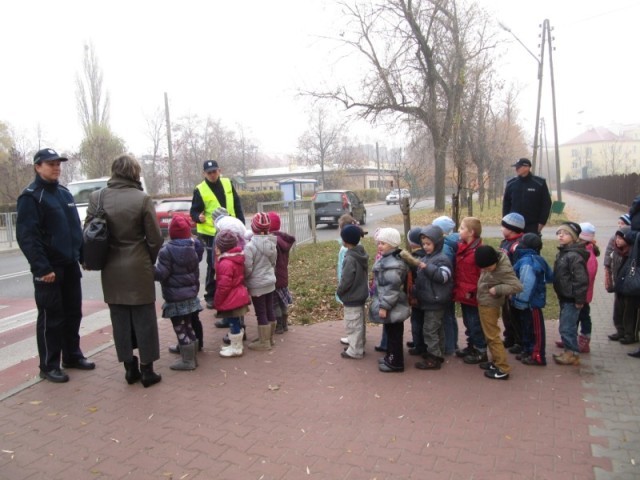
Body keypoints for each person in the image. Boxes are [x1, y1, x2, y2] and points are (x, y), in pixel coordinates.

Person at [16, 148, 95, 383]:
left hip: (69, 265)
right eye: (50, 164)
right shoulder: (31, 197)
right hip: (49, 269)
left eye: (58, 163)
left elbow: (74, 229)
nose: (56, 167)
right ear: (37, 167)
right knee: (52, 318)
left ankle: (72, 355)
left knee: (73, 313)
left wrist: (82, 255)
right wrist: (42, 268)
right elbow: (27, 237)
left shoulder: (63, 193)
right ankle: (49, 365)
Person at [87, 155, 163, 387]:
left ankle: (129, 368)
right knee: (145, 318)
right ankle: (147, 371)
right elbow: (155, 238)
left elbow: (89, 233)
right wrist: (147, 259)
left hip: (110, 267)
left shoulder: (97, 197)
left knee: (119, 319)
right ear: (134, 173)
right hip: (138, 264)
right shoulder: (142, 199)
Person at [190, 160, 245, 312]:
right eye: (209, 173)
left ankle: (234, 292)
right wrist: (197, 217)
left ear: (219, 171)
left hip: (230, 230)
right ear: (204, 174)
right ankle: (210, 295)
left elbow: (237, 204)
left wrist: (241, 224)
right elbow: (193, 211)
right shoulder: (200, 189)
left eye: (214, 171)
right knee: (213, 264)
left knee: (234, 261)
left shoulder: (228, 183)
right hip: (210, 233)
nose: (212, 175)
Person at [154, 215, 204, 371]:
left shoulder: (166, 251)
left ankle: (187, 360)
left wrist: (150, 270)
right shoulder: (192, 248)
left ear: (171, 233)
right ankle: (192, 356)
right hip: (190, 296)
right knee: (188, 325)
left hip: (175, 298)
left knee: (180, 328)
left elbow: (161, 274)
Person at [474, 246, 523, 380]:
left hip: (490, 304)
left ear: (495, 261)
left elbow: (517, 286)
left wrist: (498, 289)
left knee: (492, 336)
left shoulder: (502, 269)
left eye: (488, 268)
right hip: (484, 301)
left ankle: (502, 368)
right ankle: (495, 362)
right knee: (489, 334)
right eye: (483, 268)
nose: (485, 270)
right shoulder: (491, 260)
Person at [370, 228, 411, 373]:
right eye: (379, 243)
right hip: (391, 305)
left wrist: (384, 306)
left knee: (394, 336)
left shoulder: (393, 265)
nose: (379, 246)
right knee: (390, 332)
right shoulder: (388, 260)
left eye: (383, 243)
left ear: (392, 245)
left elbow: (392, 288)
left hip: (393, 306)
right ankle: (390, 357)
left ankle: (396, 362)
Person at [413, 225, 453, 370]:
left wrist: (426, 267)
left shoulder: (442, 259)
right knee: (436, 329)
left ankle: (433, 358)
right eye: (424, 244)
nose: (426, 247)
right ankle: (438, 352)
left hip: (436, 300)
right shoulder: (427, 257)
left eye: (429, 244)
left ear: (437, 243)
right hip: (428, 300)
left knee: (430, 330)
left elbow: (443, 277)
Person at [511, 233, 554, 366]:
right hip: (526, 302)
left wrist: (521, 301)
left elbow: (527, 282)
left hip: (530, 303)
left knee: (535, 330)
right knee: (526, 328)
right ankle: (527, 350)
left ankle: (538, 355)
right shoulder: (529, 258)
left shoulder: (528, 261)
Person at [552, 222, 589, 366]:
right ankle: (569, 351)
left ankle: (572, 353)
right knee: (565, 325)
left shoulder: (573, 256)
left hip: (572, 298)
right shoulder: (563, 252)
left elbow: (581, 280)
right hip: (565, 296)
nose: (561, 235)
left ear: (573, 237)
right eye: (559, 232)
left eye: (565, 233)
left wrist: (579, 299)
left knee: (567, 327)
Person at [453, 217, 488, 365]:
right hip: (463, 291)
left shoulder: (479, 251)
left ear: (471, 232)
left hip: (473, 293)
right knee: (468, 321)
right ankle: (471, 345)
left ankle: (480, 350)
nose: (458, 231)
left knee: (475, 323)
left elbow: (484, 274)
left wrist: (477, 290)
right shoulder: (462, 247)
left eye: (461, 228)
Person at [214, 230, 251, 358]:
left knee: (233, 322)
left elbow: (224, 286)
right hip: (238, 294)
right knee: (235, 322)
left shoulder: (225, 263)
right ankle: (235, 345)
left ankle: (236, 348)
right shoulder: (235, 257)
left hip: (231, 298)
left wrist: (218, 301)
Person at [244, 212, 277, 351]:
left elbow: (247, 267)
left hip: (257, 285)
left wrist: (246, 278)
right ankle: (269, 338)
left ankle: (264, 342)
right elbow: (273, 262)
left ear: (253, 228)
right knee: (269, 309)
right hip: (270, 282)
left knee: (260, 312)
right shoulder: (272, 244)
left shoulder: (250, 247)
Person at [336, 224, 369, 360]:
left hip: (352, 295)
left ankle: (355, 350)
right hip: (360, 294)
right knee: (359, 323)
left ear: (345, 240)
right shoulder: (361, 253)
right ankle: (358, 345)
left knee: (352, 324)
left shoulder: (350, 258)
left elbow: (346, 279)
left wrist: (340, 290)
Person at [498, 212, 526, 354]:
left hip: (511, 285)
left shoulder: (518, 245)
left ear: (512, 228)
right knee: (506, 314)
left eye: (503, 226)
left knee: (514, 314)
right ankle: (509, 336)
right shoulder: (504, 242)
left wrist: (511, 287)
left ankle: (519, 340)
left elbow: (518, 268)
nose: (501, 229)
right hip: (503, 284)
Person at [502, 158, 552, 234]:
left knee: (531, 245)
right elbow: (506, 204)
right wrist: (505, 222)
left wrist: (542, 222)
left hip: (532, 225)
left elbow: (546, 204)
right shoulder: (511, 183)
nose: (516, 169)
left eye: (518, 167)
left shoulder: (539, 183)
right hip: (513, 225)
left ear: (527, 167)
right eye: (516, 167)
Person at [432, 215, 459, 355]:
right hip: (451, 285)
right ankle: (452, 343)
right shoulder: (451, 243)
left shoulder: (445, 248)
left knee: (446, 316)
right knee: (450, 315)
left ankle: (449, 346)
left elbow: (444, 268)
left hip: (445, 286)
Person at [267, 212, 296, 335]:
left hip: (275, 276)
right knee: (283, 301)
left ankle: (279, 325)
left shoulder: (272, 241)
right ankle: (284, 323)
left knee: (275, 303)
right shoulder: (283, 240)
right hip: (283, 274)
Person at [604, 215, 631, 341]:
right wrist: (607, 271)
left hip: (630, 284)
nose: (620, 225)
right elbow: (608, 256)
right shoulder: (614, 240)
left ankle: (629, 333)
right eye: (619, 223)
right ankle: (620, 330)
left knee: (629, 308)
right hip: (617, 281)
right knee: (618, 307)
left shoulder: (633, 243)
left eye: (623, 223)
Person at [404, 227, 427, 356]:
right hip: (426, 293)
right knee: (424, 320)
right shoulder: (428, 254)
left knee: (417, 320)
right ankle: (419, 341)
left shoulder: (413, 259)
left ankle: (419, 344)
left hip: (416, 294)